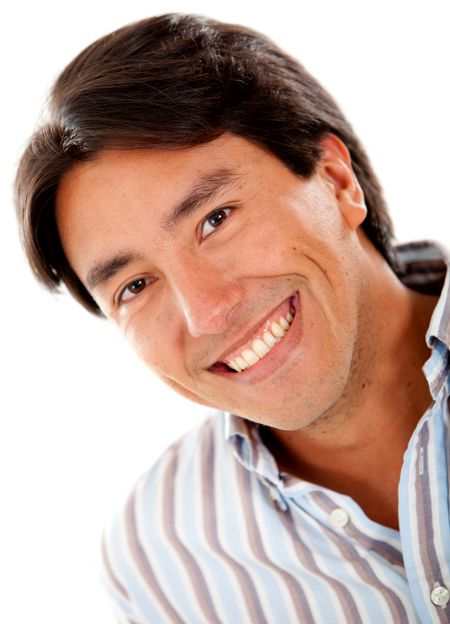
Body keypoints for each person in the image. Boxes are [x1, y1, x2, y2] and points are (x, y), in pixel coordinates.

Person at [14, 13, 449, 624]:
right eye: (135, 285)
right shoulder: (159, 563)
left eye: (215, 219)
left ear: (335, 179)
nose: (207, 311)